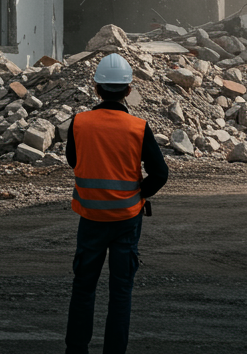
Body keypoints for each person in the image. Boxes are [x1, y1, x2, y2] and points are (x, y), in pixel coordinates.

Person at [65, 52, 169, 354]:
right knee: (120, 293)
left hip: (91, 219)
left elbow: (75, 160)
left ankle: (76, 350)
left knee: (83, 290)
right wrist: (139, 193)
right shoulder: (137, 127)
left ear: (97, 89)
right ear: (128, 89)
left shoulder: (80, 123)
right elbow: (160, 173)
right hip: (126, 219)